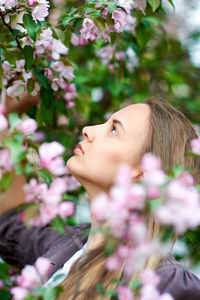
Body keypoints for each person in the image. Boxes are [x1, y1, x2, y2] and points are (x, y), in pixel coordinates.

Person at [0, 97, 200, 299]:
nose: (87, 129)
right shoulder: (71, 246)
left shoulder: (168, 283)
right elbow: (11, 221)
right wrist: (5, 115)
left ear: (144, 171)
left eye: (114, 130)